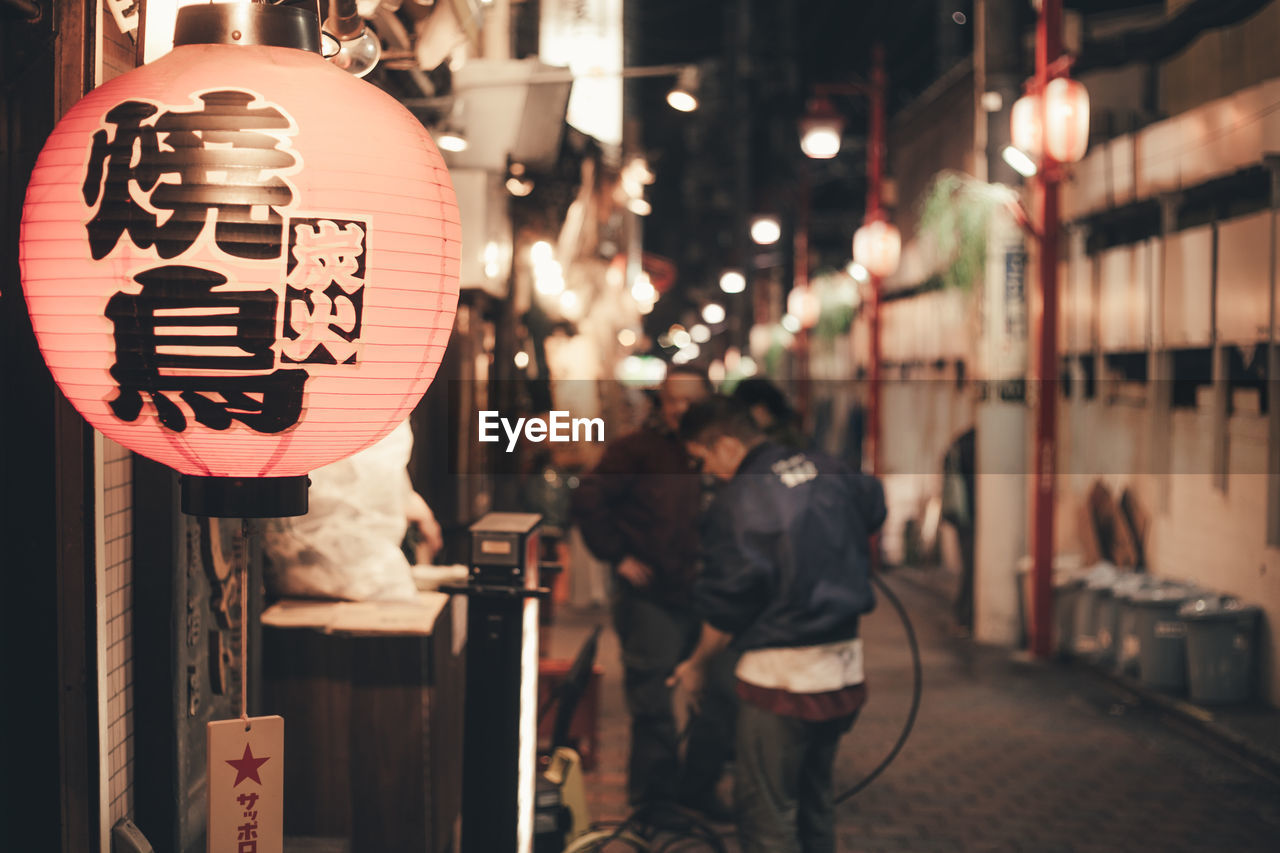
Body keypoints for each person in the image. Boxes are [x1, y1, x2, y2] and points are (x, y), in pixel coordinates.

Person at [668, 396, 886, 853]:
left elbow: (727, 599)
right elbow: (874, 509)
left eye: (703, 459)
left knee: (767, 815)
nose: (707, 472)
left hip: (781, 677)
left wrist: (697, 663)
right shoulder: (830, 467)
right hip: (843, 666)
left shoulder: (737, 501)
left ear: (727, 445)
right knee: (815, 803)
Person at [570, 368, 734, 816]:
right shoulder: (637, 449)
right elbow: (589, 497)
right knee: (653, 702)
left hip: (710, 592)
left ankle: (697, 789)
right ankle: (655, 801)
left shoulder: (719, 449)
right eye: (671, 400)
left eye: (689, 400)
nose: (680, 409)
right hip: (652, 597)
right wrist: (617, 555)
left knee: (717, 696)